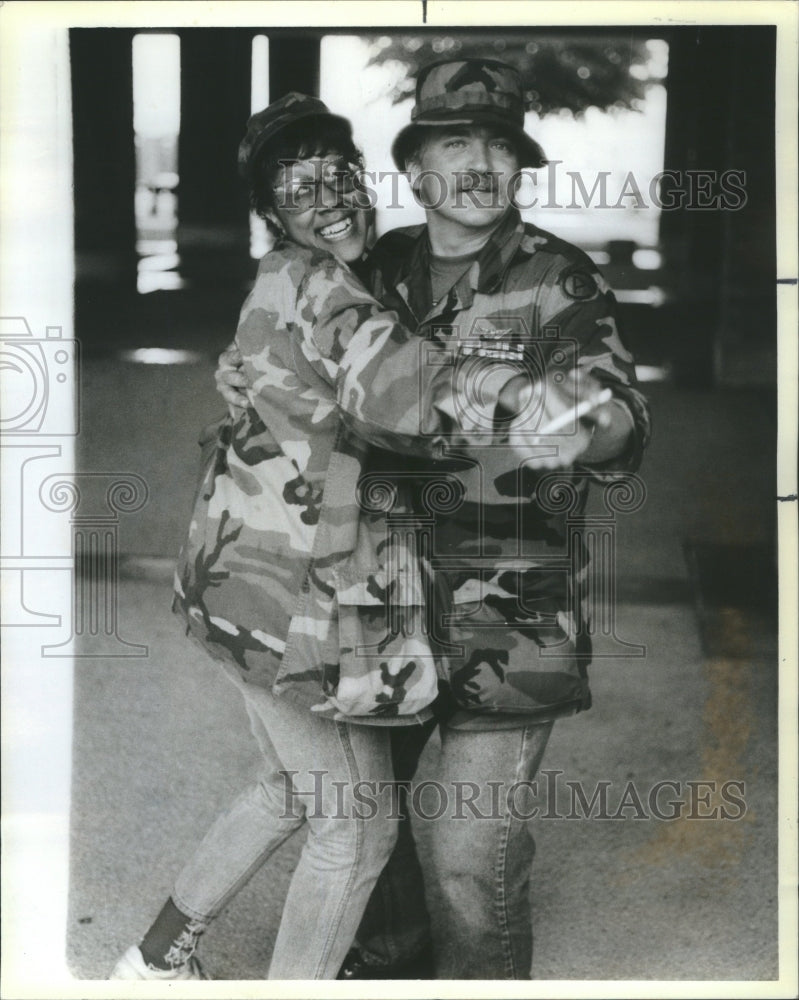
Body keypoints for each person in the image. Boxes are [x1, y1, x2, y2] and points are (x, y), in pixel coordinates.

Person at [217, 58, 651, 980]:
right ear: (414, 169)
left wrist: (587, 434)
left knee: (464, 857)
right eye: (456, 143)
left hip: (509, 617)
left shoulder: (558, 282)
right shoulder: (366, 266)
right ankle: (384, 970)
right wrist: (243, 374)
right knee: (370, 835)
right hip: (377, 605)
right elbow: (289, 350)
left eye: (500, 145)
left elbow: (614, 409)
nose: (481, 164)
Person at [110, 91, 550, 982]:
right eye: (301, 187)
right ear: (274, 214)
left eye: (340, 175)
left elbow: (285, 380)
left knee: (293, 788)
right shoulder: (323, 286)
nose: (332, 198)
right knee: (354, 829)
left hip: (234, 588)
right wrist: (525, 394)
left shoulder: (290, 276)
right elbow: (405, 397)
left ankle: (154, 963)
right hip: (299, 602)